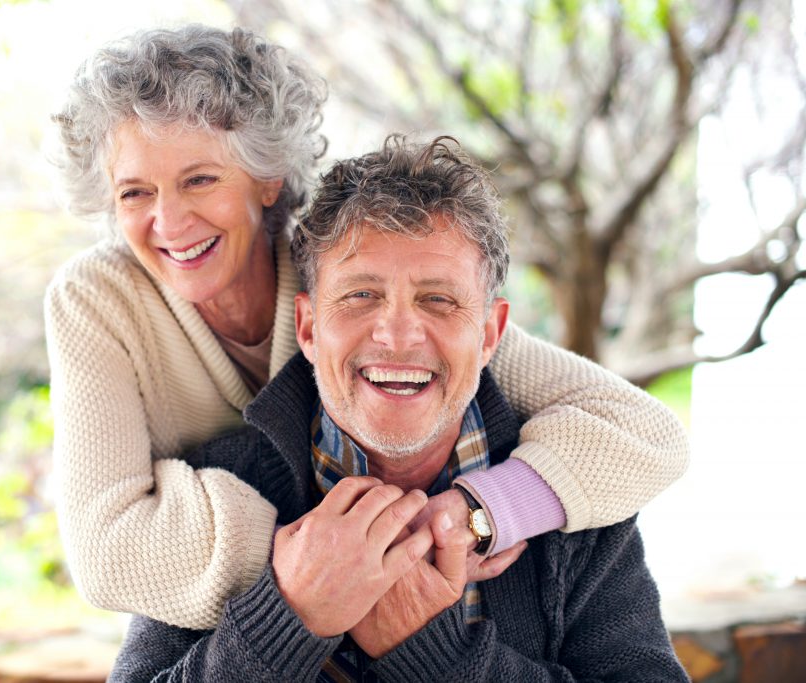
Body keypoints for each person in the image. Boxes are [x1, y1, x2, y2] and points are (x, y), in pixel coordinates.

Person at [44, 25, 690, 630]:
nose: (170, 221)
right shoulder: (95, 299)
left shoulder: (351, 274)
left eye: (200, 180)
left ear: (268, 179)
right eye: (135, 193)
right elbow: (107, 553)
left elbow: (643, 432)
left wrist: (478, 511)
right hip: (255, 621)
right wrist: (331, 560)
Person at [108, 136, 690, 682]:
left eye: (438, 299)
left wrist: (429, 652)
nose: (397, 335)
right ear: (308, 327)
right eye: (361, 295)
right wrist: (288, 617)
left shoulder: (576, 500)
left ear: (490, 334)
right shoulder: (213, 492)